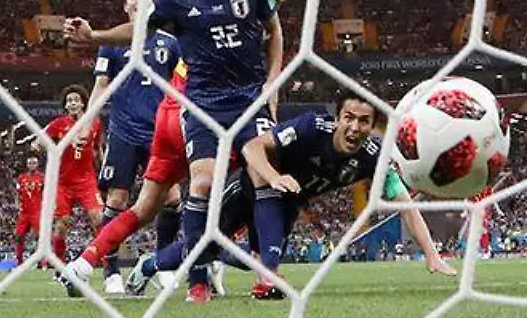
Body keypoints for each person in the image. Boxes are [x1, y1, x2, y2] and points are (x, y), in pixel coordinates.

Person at [65, 0, 284, 303]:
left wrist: (273, 84)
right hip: (198, 108)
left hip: (248, 101)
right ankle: (193, 279)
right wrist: (94, 36)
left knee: (262, 180)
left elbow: (276, 30)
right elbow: (138, 31)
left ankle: (266, 276)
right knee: (195, 187)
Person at [125, 91, 456, 298]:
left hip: (288, 204)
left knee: (243, 257)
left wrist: (431, 254)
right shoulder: (311, 127)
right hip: (249, 188)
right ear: (338, 118)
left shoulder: (373, 157)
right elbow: (253, 146)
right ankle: (149, 265)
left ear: (373, 125)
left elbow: (405, 205)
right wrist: (275, 176)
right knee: (202, 246)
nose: (355, 127)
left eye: (364, 121)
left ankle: (185, 261)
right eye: (349, 118)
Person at [84, 0, 183, 293]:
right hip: (124, 131)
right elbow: (101, 85)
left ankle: (163, 264)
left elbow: (182, 86)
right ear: (125, 7)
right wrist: (87, 121)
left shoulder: (170, 43)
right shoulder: (112, 44)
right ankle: (111, 272)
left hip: (161, 133)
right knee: (116, 200)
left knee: (172, 199)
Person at [36, 85, 103, 269]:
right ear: (65, 105)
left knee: (98, 218)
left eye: (76, 100)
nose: (73, 103)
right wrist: (56, 143)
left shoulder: (95, 123)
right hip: (63, 183)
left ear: (83, 103)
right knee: (62, 223)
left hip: (87, 180)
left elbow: (97, 148)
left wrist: (103, 168)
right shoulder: (58, 124)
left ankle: (105, 263)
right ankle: (58, 266)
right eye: (69, 100)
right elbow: (38, 142)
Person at [14, 156, 44, 265]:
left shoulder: (42, 178)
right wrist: (17, 204)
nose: (32, 165)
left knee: (40, 236)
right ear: (27, 165)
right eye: (30, 163)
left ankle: (43, 262)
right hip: (24, 213)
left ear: (37, 164)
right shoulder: (21, 178)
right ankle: (19, 261)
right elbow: (17, 193)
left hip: (37, 211)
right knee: (19, 236)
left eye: (34, 163)